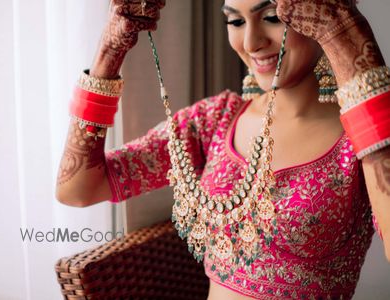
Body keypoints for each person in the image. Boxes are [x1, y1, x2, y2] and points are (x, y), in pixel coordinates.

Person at [56, 0, 390, 299]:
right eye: (236, 21)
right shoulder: (217, 120)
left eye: (272, 16)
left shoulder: (365, 139)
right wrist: (108, 54)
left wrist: (350, 43)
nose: (251, 43)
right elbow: (79, 189)